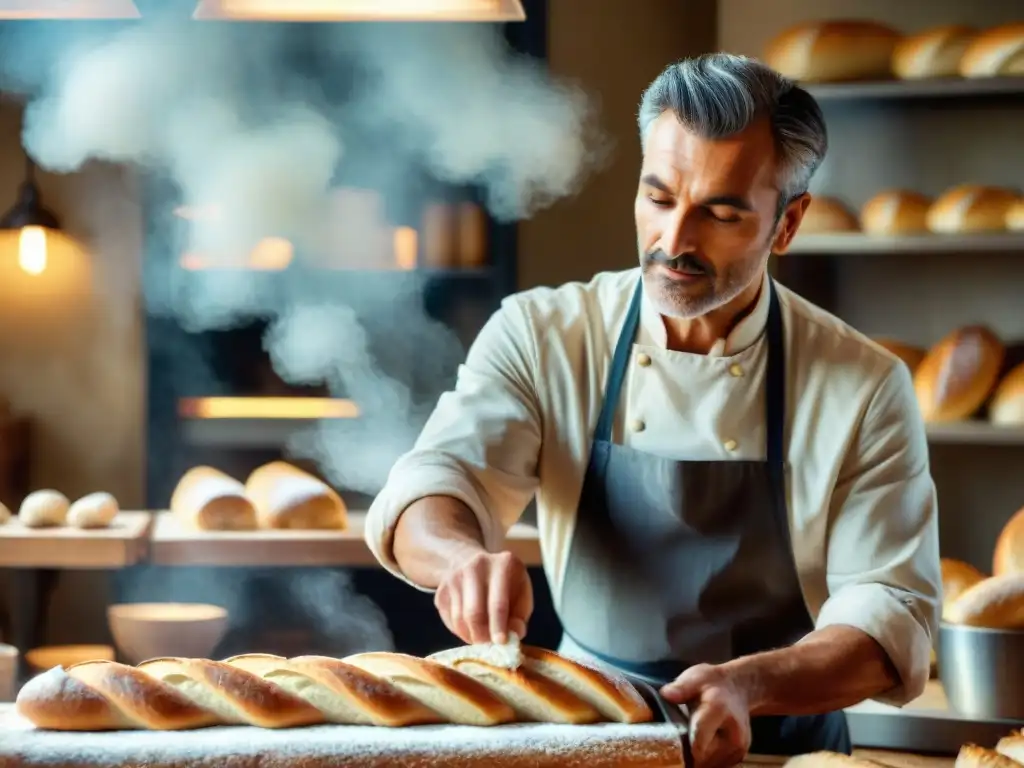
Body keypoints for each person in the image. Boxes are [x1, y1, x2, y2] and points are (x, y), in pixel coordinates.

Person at [364, 53, 940, 767]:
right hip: (589, 737)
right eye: (659, 198)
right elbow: (437, 481)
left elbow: (891, 615)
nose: (674, 243)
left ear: (787, 224)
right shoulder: (543, 335)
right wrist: (461, 559)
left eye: (721, 213)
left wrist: (748, 685)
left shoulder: (864, 384)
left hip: (780, 747)